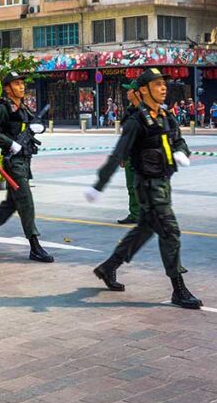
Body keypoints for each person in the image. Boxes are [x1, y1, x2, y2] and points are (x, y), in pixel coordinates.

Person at [84, 67, 201, 309]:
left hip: (163, 183)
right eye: (158, 84)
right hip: (147, 186)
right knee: (170, 232)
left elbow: (179, 139)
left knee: (144, 230)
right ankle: (179, 289)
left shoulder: (165, 116)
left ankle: (108, 267)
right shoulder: (137, 121)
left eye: (164, 84)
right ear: (144, 90)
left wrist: (181, 152)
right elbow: (119, 154)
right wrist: (99, 185)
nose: (163, 88)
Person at [0, 71, 54, 263]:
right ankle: (34, 246)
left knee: (12, 203)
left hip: (25, 160)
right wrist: (10, 143)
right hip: (13, 161)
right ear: (7, 89)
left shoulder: (23, 107)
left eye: (22, 84)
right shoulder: (3, 108)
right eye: (17, 84)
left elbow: (35, 122)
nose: (21, 87)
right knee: (25, 200)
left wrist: (39, 127)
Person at [116, 80, 142, 225]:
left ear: (137, 93)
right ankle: (135, 213)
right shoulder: (130, 110)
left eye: (129, 90)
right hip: (130, 155)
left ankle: (139, 214)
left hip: (140, 155)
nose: (127, 92)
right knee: (132, 186)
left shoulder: (144, 111)